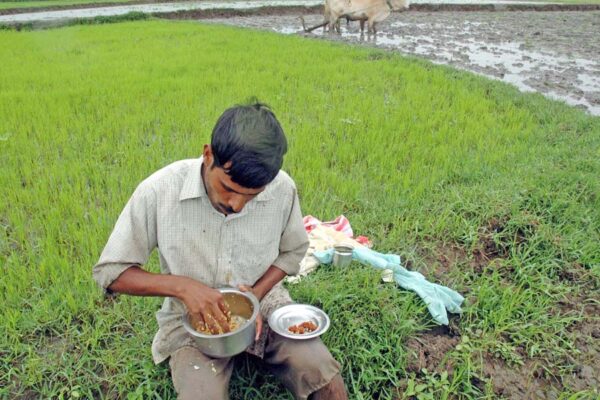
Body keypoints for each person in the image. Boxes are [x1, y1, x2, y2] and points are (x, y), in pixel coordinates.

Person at [93, 102, 347, 400]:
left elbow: (292, 252)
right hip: (191, 324)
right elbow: (110, 273)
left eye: (252, 196)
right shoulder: (159, 191)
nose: (237, 205)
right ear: (208, 155)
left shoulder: (282, 188)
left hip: (266, 305)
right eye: (228, 188)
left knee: (323, 376)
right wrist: (183, 288)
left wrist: (256, 293)